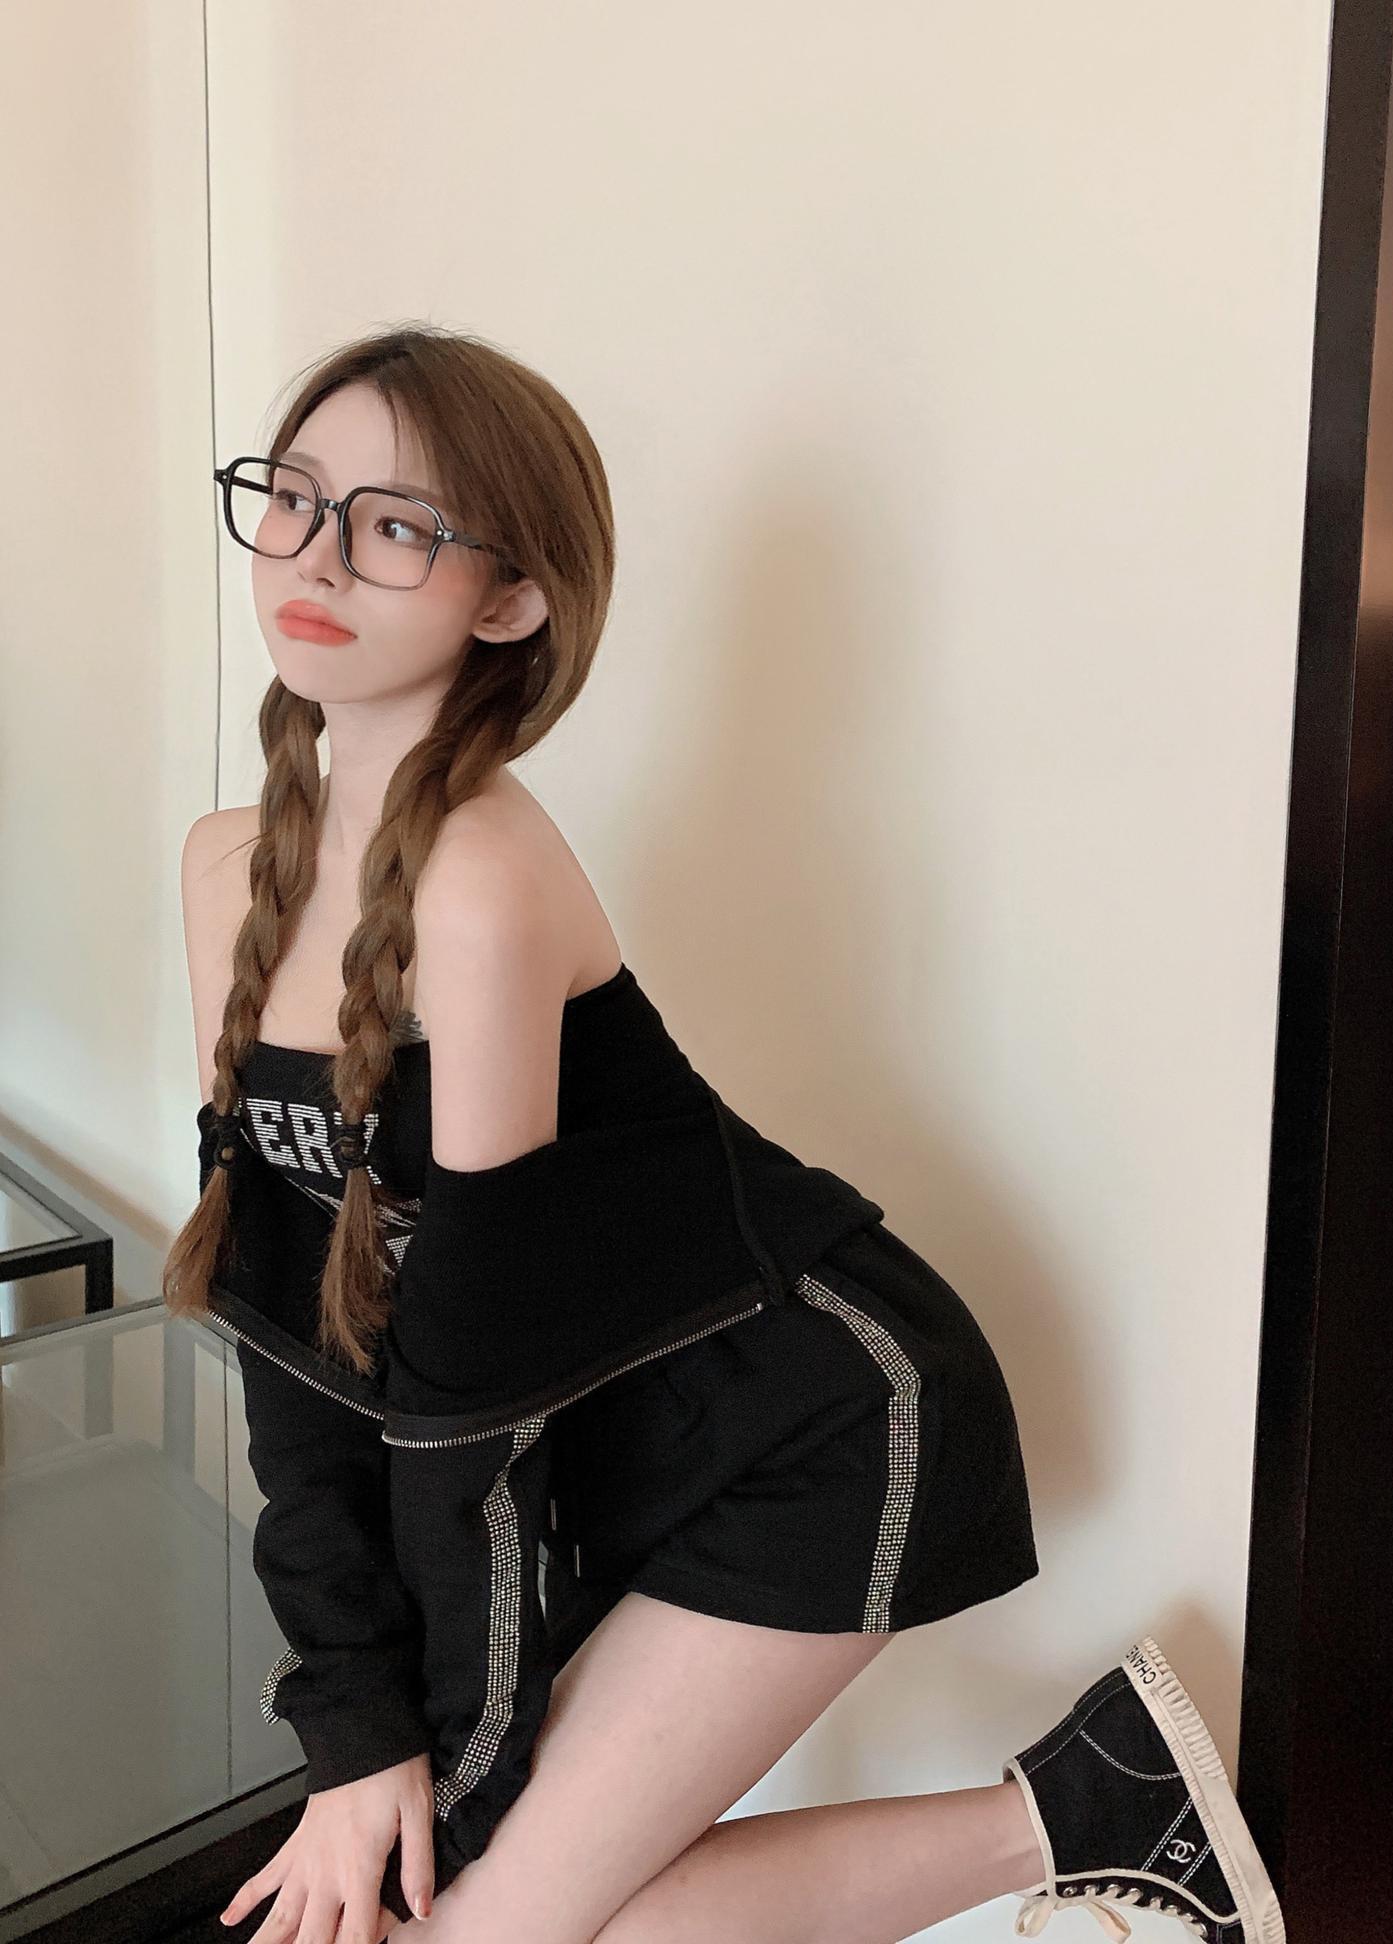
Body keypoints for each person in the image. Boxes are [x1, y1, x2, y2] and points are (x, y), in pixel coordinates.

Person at [162, 324, 1284, 1944]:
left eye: (395, 524)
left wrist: (417, 1771)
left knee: (481, 1925)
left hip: (817, 1412)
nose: (316, 557)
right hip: (632, 1425)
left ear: (511, 599)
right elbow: (293, 1339)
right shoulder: (223, 873)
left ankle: (1109, 1806)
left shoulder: (483, 886)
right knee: (520, 1918)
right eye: (295, 497)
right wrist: (349, 1721)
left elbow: (467, 1388)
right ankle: (1108, 1804)